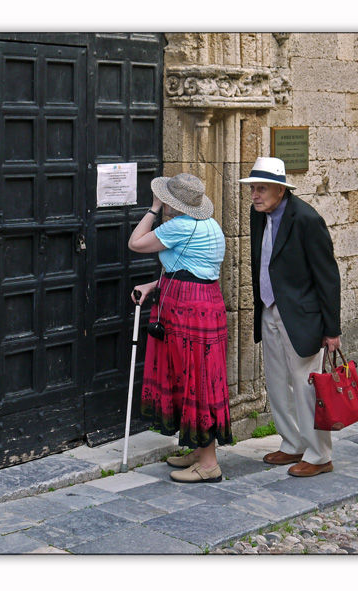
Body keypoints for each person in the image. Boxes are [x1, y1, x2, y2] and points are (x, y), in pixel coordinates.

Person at [240, 157, 342, 477]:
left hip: (302, 316)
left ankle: (319, 454)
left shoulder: (307, 219)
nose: (254, 195)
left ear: (281, 190)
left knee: (304, 384)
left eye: (261, 189)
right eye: (252, 189)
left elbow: (328, 276)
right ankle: (292, 443)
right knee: (275, 380)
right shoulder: (258, 216)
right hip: (269, 309)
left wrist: (332, 329)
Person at [128, 172, 232, 483]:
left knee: (196, 380)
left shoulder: (178, 226)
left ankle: (210, 463)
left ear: (173, 204)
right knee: (196, 376)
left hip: (189, 310)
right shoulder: (210, 226)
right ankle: (199, 450)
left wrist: (153, 208)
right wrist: (152, 285)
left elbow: (136, 243)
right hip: (203, 303)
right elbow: (189, 269)